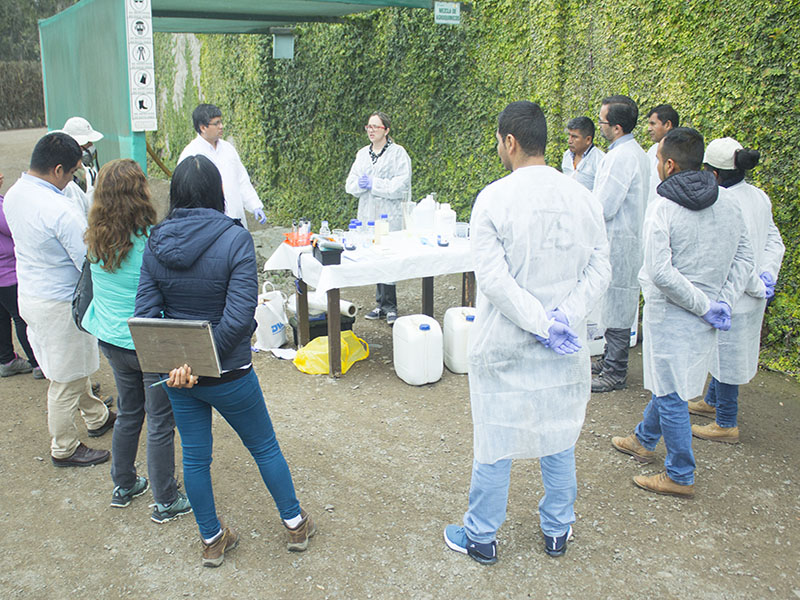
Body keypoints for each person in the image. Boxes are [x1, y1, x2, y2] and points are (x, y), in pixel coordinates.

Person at [443, 101, 611, 564]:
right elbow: (601, 268)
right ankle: (557, 530)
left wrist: (539, 322)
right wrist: (562, 319)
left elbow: (494, 282)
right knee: (558, 434)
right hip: (564, 345)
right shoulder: (582, 197)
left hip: (505, 346)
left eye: (499, 142)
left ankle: (481, 536)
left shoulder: (493, 199)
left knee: (495, 438)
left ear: (510, 142)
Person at [135, 155, 313, 567]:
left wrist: (180, 363)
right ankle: (295, 525)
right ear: (217, 192)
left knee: (196, 458)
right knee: (264, 447)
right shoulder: (235, 239)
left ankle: (212, 540)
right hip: (230, 371)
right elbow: (238, 318)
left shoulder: (155, 241)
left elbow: (145, 316)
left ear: (176, 193)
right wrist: (202, 359)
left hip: (180, 377)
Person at [611, 128, 754, 498]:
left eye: (658, 160)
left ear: (670, 164)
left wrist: (704, 304)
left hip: (672, 313)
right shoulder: (728, 201)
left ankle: (680, 474)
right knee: (668, 382)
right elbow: (744, 258)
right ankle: (643, 440)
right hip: (708, 314)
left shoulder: (663, 206)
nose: (656, 166)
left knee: (670, 390)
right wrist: (719, 301)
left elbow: (660, 272)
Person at [81, 158, 191, 521]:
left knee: (130, 412)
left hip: (111, 339)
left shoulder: (95, 237)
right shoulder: (152, 240)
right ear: (140, 192)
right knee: (160, 419)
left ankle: (124, 483)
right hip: (149, 341)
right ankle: (165, 497)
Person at [2, 132, 114, 467]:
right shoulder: (59, 210)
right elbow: (87, 257)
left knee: (71, 366)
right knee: (64, 379)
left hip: (31, 295)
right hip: (60, 302)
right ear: (57, 170)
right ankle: (64, 447)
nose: (71, 180)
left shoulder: (14, 195)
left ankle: (96, 417)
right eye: (71, 173)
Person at [688, 138, 785, 443]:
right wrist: (767, 275)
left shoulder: (721, 202)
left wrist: (753, 282)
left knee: (728, 357)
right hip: (754, 292)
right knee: (724, 352)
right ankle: (712, 402)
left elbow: (729, 256)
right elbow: (774, 240)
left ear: (713, 174)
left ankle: (726, 423)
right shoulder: (759, 197)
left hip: (735, 293)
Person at [591, 95, 650, 393]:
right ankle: (609, 359)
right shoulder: (634, 152)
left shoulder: (620, 156)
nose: (599, 125)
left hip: (620, 240)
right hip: (626, 238)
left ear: (615, 127)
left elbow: (606, 205)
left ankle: (615, 370)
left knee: (616, 303)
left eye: (602, 121)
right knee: (616, 302)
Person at [345, 111, 412, 325]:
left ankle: (391, 306)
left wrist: (375, 184)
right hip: (367, 213)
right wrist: (361, 184)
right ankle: (380, 304)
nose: (371, 130)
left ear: (387, 130)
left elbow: (400, 185)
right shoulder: (362, 154)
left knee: (388, 256)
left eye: (376, 127)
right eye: (369, 126)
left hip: (388, 213)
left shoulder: (398, 153)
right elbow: (351, 184)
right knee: (373, 256)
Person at [177, 103, 266, 229]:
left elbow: (241, 180)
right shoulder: (191, 154)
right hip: (209, 224)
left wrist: (254, 205)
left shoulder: (228, 149)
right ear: (203, 127)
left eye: (221, 122)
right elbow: (185, 193)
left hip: (236, 219)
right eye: (216, 123)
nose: (221, 126)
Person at [0, 172, 41, 378]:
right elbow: (14, 228)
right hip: (8, 273)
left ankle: (7, 359)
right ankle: (37, 363)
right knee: (22, 318)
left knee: (2, 318)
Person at [645, 105, 679, 205]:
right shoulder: (652, 150)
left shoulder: (681, 151)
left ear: (667, 124)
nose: (649, 129)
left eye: (653, 124)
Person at [560, 116, 605, 190]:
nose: (569, 141)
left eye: (574, 137)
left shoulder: (600, 160)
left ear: (588, 139)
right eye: (569, 136)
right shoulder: (567, 156)